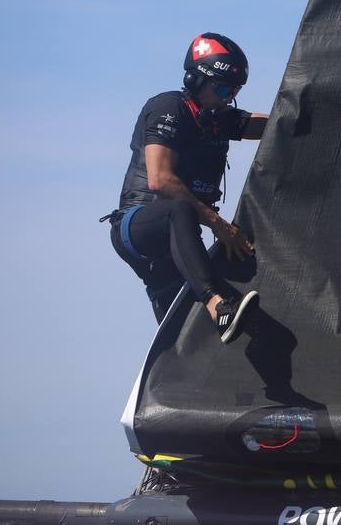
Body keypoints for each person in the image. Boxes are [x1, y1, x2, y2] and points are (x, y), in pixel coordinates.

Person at [101, 33, 266, 340]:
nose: (228, 97)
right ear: (194, 80)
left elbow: (267, 125)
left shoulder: (216, 116)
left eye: (235, 90)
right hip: (137, 226)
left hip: (171, 249)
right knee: (179, 208)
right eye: (222, 88)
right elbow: (160, 181)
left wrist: (306, 116)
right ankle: (218, 307)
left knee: (182, 338)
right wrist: (218, 224)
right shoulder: (170, 106)